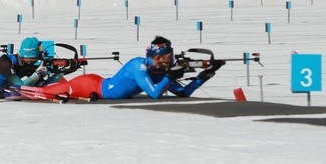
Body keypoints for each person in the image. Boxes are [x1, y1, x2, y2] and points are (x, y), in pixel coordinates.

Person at [20, 36, 223, 101]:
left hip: (97, 85)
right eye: (166, 58)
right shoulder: (138, 66)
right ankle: (16, 89)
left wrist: (206, 74)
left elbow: (183, 93)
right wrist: (170, 75)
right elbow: (154, 94)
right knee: (42, 93)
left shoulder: (159, 71)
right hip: (88, 86)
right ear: (155, 57)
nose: (169, 61)